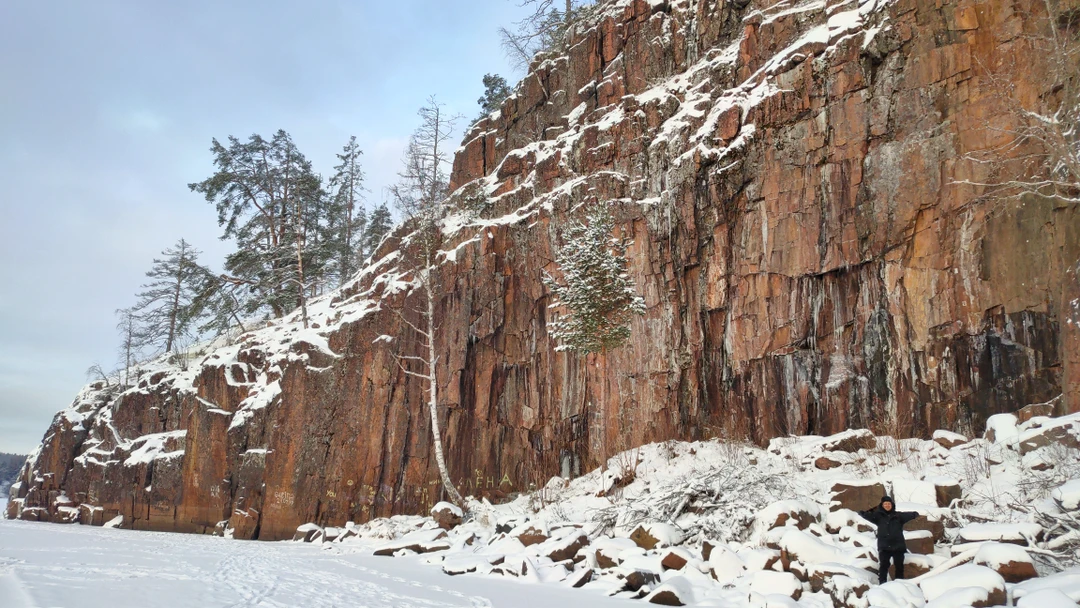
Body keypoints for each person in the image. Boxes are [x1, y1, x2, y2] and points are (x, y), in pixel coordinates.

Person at [857, 495, 919, 584]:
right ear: (882, 505)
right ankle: (882, 584)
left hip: (898, 546)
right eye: (885, 504)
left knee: (899, 566)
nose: (887, 505)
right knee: (884, 566)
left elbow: (908, 515)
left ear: (892, 505)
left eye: (889, 504)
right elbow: (867, 515)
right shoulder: (878, 516)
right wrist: (863, 512)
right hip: (884, 546)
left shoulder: (898, 515)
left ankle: (899, 584)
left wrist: (914, 514)